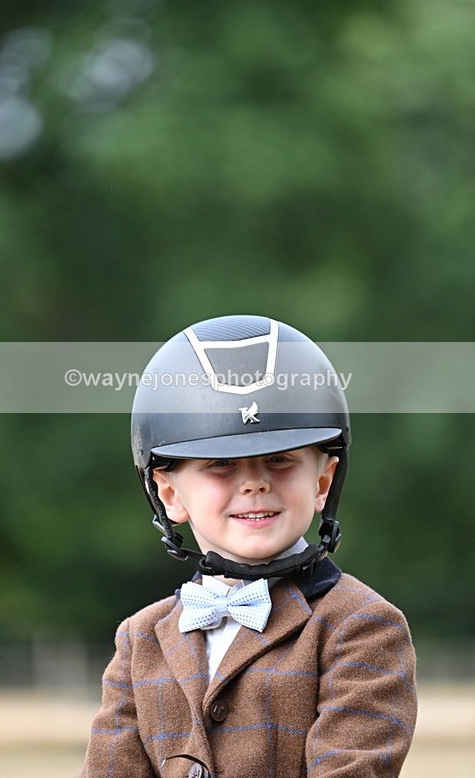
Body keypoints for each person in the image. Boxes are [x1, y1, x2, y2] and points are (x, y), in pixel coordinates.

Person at [80, 314, 417, 778]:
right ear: (170, 495)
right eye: (221, 464)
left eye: (279, 460)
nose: (255, 483)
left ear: (322, 481)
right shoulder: (140, 639)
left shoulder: (361, 627)